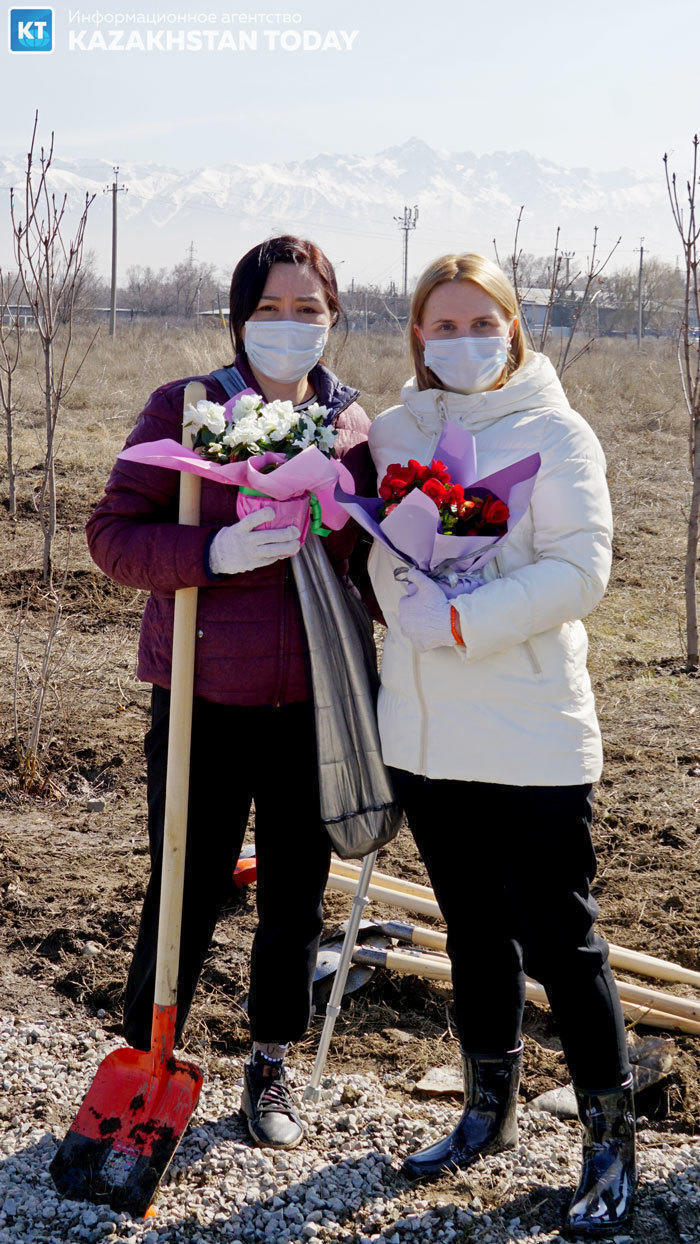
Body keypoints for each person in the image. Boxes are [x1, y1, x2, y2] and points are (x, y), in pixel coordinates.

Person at [86, 235, 375, 1151]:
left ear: (333, 319)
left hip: (314, 702)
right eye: (271, 310)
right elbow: (112, 533)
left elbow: (378, 557)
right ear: (238, 319)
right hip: (203, 694)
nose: (290, 328)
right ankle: (147, 1049)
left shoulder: (354, 426)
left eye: (309, 310)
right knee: (185, 879)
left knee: (296, 890)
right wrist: (209, 555)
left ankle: (271, 1060)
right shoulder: (189, 408)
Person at [367, 253, 635, 1237]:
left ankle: (607, 1138)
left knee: (562, 937)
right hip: (427, 728)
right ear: (417, 339)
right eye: (441, 326)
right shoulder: (396, 432)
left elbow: (580, 569)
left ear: (512, 329)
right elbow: (378, 547)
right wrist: (408, 604)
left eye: (481, 321)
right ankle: (487, 1106)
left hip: (529, 724)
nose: (462, 340)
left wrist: (462, 620)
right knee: (472, 927)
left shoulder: (554, 432)